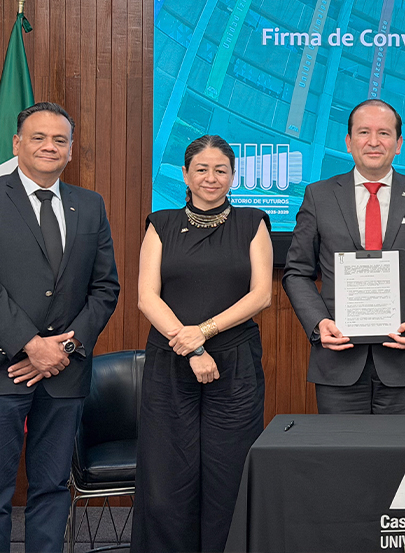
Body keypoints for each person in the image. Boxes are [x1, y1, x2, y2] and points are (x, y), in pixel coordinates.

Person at [130, 135, 272, 552]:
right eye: (202, 169)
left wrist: (203, 332)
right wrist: (191, 347)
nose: (211, 178)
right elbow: (146, 297)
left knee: (229, 470)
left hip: (236, 363)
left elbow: (260, 295)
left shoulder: (253, 222)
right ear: (185, 175)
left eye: (221, 170)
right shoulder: (161, 224)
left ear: (233, 176)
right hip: (170, 361)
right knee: (167, 474)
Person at [282, 99, 405, 414]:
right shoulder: (318, 196)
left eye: (384, 133)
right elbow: (296, 272)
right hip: (338, 360)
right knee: (342, 461)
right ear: (348, 142)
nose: (374, 142)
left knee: (400, 459)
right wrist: (318, 323)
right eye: (363, 132)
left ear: (399, 144)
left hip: (404, 362)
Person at [0, 102, 119, 552]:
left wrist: (62, 350)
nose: (50, 146)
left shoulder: (89, 204)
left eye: (60, 140)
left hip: (65, 375)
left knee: (51, 488)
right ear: (17, 144)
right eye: (38, 137)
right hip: (5, 370)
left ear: (71, 150)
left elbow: (105, 286)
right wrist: (30, 344)